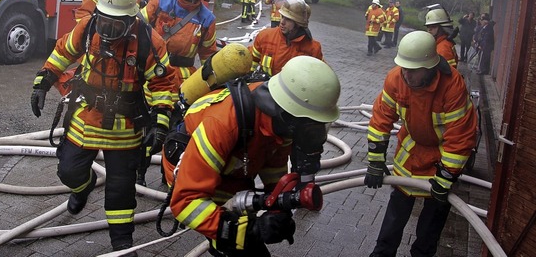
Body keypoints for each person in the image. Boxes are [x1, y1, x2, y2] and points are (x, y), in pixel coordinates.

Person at [30, 0, 178, 255]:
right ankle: (82, 188)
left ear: (131, 19)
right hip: (86, 116)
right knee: (69, 171)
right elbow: (63, 52)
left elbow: (164, 84)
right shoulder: (88, 28)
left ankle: (122, 242)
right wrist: (43, 81)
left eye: (116, 25)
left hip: (125, 125)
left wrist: (160, 123)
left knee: (121, 188)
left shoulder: (149, 41)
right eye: (105, 22)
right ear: (98, 14)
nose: (108, 31)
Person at [169, 56, 342, 257]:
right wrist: (248, 231)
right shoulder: (221, 125)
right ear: (289, 114)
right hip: (191, 173)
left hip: (234, 169)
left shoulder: (282, 122)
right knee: (233, 243)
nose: (315, 135)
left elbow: (274, 168)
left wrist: (280, 207)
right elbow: (185, 202)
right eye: (311, 127)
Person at [364, 30, 478, 257]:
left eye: (413, 71)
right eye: (404, 67)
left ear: (430, 67)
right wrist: (375, 162)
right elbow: (380, 119)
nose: (406, 75)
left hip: (442, 159)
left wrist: (446, 177)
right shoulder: (397, 78)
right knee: (394, 217)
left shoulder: (453, 86)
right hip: (410, 154)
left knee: (430, 227)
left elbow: (460, 136)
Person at [139, 0, 217, 185]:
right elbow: (135, 26)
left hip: (183, 79)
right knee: (145, 124)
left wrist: (215, 84)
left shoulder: (207, 19)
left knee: (175, 129)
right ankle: (139, 173)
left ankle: (168, 174)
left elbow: (208, 55)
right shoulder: (160, 3)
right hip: (152, 73)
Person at [250, 0, 324, 76]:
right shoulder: (265, 36)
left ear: (298, 23)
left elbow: (321, 78)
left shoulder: (313, 49)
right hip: (265, 87)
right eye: (282, 17)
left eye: (288, 19)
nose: (282, 22)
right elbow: (250, 60)